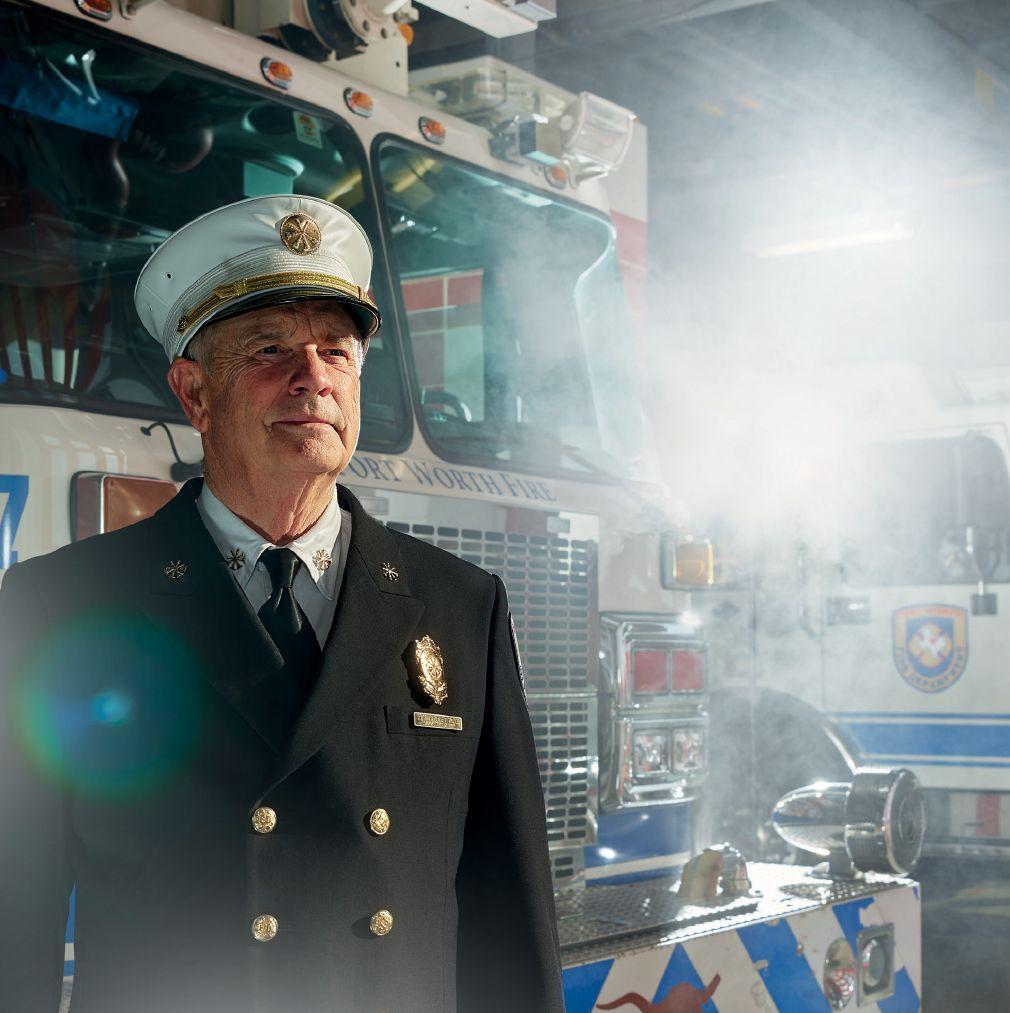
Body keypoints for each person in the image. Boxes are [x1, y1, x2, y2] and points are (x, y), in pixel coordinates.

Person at [0, 195, 563, 1013]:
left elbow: (509, 913)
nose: (314, 377)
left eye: (336, 351)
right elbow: (15, 902)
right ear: (195, 393)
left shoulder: (460, 605)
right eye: (270, 350)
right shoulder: (62, 604)